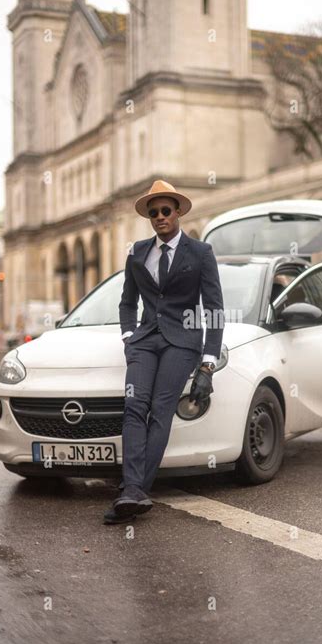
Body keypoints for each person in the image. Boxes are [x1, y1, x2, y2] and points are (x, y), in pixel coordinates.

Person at [104, 180, 224, 524]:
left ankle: (132, 490)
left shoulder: (200, 253)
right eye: (153, 212)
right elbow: (127, 302)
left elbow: (214, 308)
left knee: (160, 411)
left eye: (165, 210)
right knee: (133, 407)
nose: (159, 217)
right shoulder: (138, 252)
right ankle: (134, 492)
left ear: (178, 212)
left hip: (182, 342)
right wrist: (129, 336)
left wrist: (208, 364)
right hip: (144, 342)